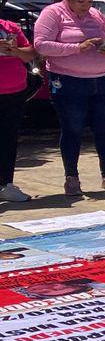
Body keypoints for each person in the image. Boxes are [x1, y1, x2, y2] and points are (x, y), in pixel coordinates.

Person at [34, 0, 105, 196]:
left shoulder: (96, 15)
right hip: (69, 81)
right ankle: (72, 177)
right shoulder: (53, 13)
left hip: (102, 80)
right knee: (72, 129)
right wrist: (77, 47)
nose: (86, 6)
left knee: (104, 129)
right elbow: (41, 45)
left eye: (89, 1)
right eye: (80, 2)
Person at [0, 15, 35, 202]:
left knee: (9, 139)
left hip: (14, 90)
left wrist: (15, 51)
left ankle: (7, 184)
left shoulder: (10, 26)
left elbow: (30, 52)